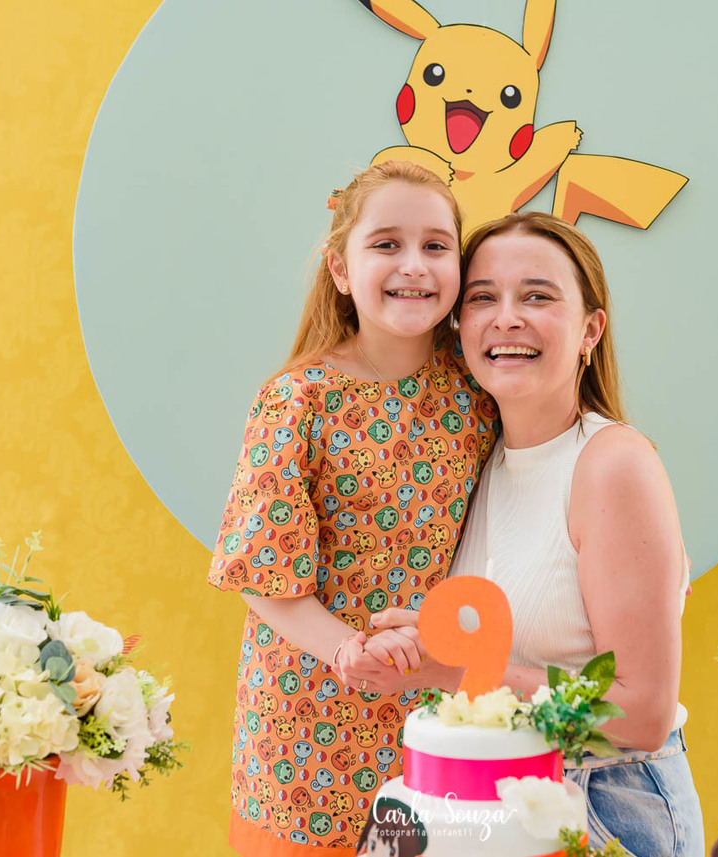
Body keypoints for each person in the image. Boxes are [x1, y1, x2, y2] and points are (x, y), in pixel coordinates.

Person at [370, 211, 703, 855]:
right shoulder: (480, 463)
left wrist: (453, 669)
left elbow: (642, 713)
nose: (507, 318)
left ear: (590, 330)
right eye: (482, 298)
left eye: (538, 297)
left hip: (605, 804)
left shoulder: (612, 464)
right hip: (498, 798)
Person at [206, 161, 498, 855]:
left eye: (436, 246)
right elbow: (261, 575)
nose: (414, 265)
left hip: (438, 712)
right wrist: (350, 649)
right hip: (309, 723)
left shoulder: (477, 389)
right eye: (387, 244)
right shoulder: (298, 400)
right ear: (341, 268)